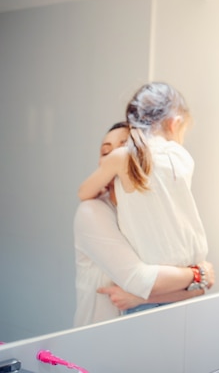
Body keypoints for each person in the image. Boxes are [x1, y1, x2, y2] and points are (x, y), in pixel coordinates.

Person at [78, 82, 210, 314]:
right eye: (105, 149)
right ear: (174, 123)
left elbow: (83, 192)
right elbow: (203, 281)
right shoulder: (182, 157)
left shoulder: (122, 159)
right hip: (184, 280)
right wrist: (199, 273)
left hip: (165, 289)